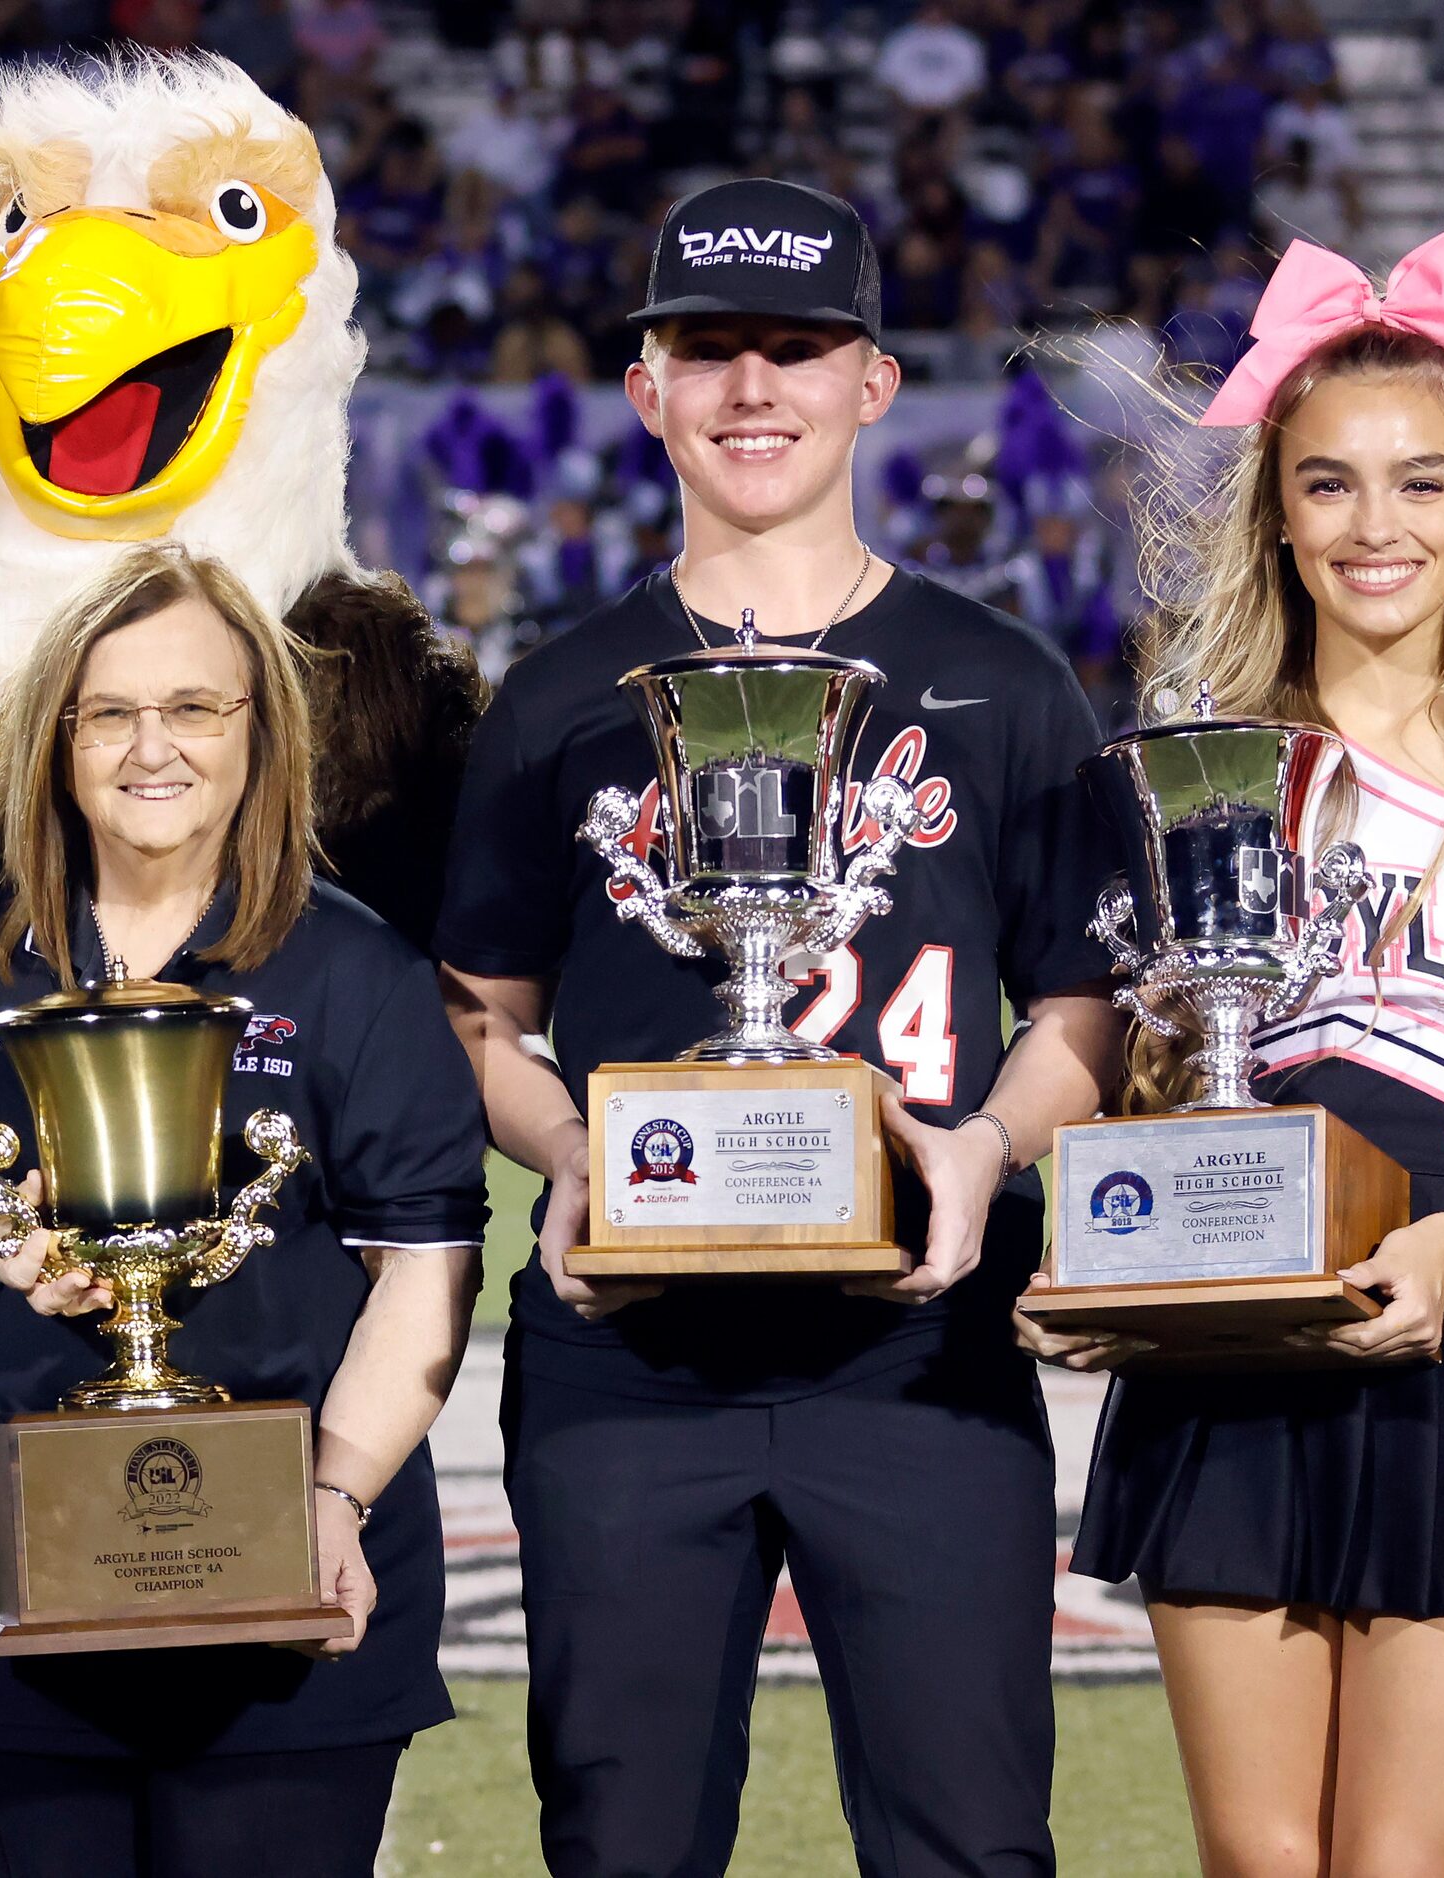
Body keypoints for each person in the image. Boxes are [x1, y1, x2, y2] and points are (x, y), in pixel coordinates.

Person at [434, 178, 1128, 1877]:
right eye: (708, 349)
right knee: (623, 1840)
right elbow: (477, 1012)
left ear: (869, 383)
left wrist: (981, 1144)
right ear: (646, 388)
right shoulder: (552, 694)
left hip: (912, 1342)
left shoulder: (1002, 680)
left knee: (964, 1838)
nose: (753, 388)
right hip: (623, 1361)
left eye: (796, 349)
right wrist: (568, 1159)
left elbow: (1080, 997)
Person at [0, 541, 486, 1876]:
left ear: (260, 729)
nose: (149, 748)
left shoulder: (351, 958)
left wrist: (335, 1500)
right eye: (109, 711)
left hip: (284, 1589)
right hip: (21, 1575)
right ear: (57, 733)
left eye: (193, 708)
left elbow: (425, 1260)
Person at [1036, 231, 1444, 1878]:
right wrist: (1094, 1263)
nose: (1373, 526)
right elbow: (1132, 1077)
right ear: (1275, 506)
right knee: (1258, 1862)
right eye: (1327, 484)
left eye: (1419, 482)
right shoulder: (1202, 761)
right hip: (1226, 1340)